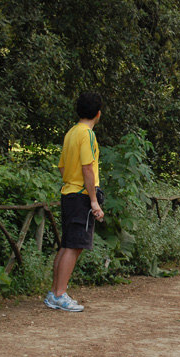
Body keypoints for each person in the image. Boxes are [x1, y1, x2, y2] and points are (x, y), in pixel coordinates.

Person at [44, 92, 105, 312]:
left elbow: (62, 166)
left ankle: (54, 292)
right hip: (80, 195)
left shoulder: (71, 133)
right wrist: (93, 202)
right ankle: (60, 294)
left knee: (67, 244)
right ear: (98, 113)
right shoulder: (87, 134)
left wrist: (71, 181)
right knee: (75, 245)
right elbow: (87, 168)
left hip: (68, 192)